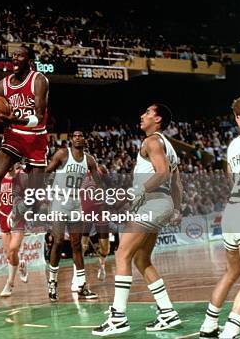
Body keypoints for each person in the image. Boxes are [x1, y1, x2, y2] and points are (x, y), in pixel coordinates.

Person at [93, 104, 183, 336]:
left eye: (147, 113)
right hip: (160, 203)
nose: (142, 115)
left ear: (158, 119)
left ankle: (118, 318)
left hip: (152, 203)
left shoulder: (152, 141)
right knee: (142, 259)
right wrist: (176, 209)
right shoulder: (169, 146)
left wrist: (137, 192)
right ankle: (167, 312)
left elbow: (162, 173)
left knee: (122, 254)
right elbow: (176, 183)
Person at [0, 45, 49, 241]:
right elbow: (1, 115)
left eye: (20, 55)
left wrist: (12, 120)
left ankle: (21, 209)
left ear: (29, 60)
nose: (14, 58)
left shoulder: (38, 80)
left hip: (35, 137)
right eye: (13, 55)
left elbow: (39, 117)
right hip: (14, 136)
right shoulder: (2, 85)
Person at [199, 95, 240, 339]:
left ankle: (208, 324)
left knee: (232, 272)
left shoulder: (234, 143)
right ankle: (230, 332)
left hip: (233, 209)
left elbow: (230, 178)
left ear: (239, 117)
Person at [45, 131, 101, 301]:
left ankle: (82, 285)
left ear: (84, 139)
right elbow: (46, 171)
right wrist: (47, 188)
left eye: (80, 135)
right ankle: (52, 282)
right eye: (74, 135)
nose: (77, 137)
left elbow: (98, 182)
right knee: (59, 241)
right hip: (59, 202)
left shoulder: (89, 160)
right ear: (71, 140)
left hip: (76, 204)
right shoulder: (63, 154)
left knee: (77, 245)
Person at [0, 164, 29, 297]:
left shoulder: (23, 177)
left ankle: (9, 283)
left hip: (18, 218)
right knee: (9, 254)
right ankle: (20, 263)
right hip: (3, 217)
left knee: (13, 248)